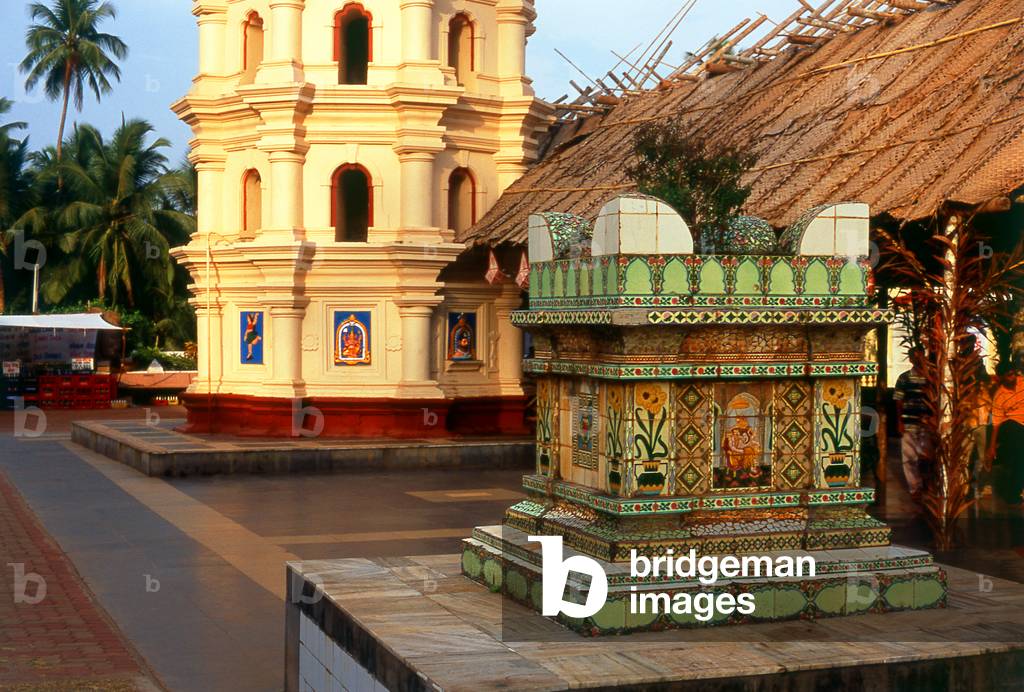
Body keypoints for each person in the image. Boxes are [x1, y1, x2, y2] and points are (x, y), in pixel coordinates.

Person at [894, 348, 933, 499]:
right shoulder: (904, 378)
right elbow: (899, 401)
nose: (918, 360)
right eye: (915, 357)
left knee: (926, 456)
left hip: (926, 424)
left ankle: (927, 486)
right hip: (909, 422)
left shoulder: (931, 378)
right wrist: (900, 422)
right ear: (910, 360)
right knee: (909, 458)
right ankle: (914, 488)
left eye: (921, 357)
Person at [989, 359, 1024, 505]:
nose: (1013, 378)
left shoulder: (1022, 382)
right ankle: (1014, 492)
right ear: (1001, 377)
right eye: (1009, 375)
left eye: (1014, 374)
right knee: (1018, 450)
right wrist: (991, 446)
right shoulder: (999, 396)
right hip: (1013, 428)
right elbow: (996, 424)